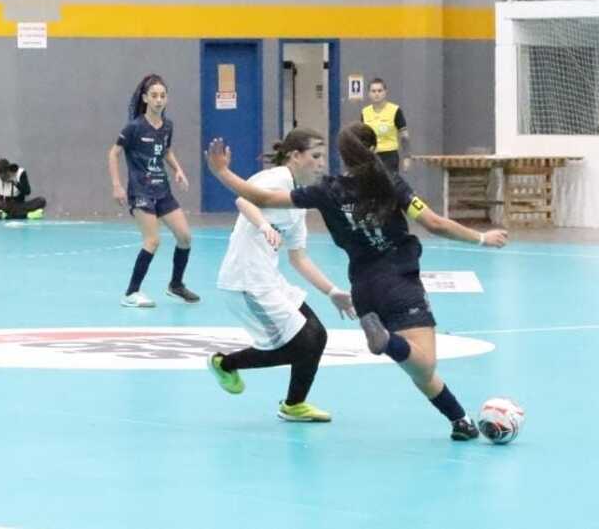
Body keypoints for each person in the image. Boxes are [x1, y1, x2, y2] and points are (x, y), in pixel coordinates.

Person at [205, 122, 509, 441]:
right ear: (374, 151)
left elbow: (260, 198)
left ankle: (460, 420)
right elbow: (434, 223)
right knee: (424, 364)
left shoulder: (327, 191)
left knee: (412, 364)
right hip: (399, 283)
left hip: (363, 291)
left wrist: (222, 173)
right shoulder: (390, 184)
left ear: (343, 157)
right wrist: (482, 238)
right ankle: (387, 343)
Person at [208, 128, 355, 422]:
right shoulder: (273, 179)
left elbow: (298, 258)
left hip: (269, 278)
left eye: (323, 157)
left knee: (317, 335)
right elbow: (243, 201)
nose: (321, 163)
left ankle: (294, 404)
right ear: (295, 157)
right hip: (246, 281)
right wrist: (263, 224)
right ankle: (225, 364)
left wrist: (333, 292)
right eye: (315, 156)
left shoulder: (298, 201)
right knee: (299, 345)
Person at [108, 74, 200, 308]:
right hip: (141, 191)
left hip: (163, 190)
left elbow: (166, 151)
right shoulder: (134, 127)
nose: (159, 100)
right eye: (154, 96)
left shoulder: (167, 126)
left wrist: (178, 170)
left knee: (185, 237)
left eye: (163, 96)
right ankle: (131, 293)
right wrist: (117, 185)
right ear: (145, 98)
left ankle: (176, 285)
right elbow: (114, 153)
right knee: (152, 240)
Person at [361, 78, 411, 173]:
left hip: (389, 156)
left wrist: (407, 157)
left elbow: (404, 135)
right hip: (371, 156)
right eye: (373, 91)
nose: (377, 94)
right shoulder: (365, 112)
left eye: (380, 91)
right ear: (369, 94)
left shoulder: (395, 110)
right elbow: (362, 138)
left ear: (385, 92)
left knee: (389, 185)